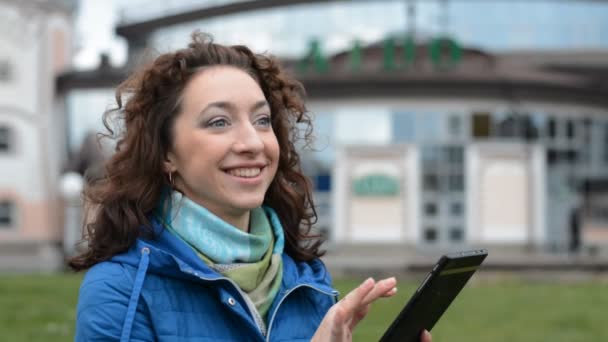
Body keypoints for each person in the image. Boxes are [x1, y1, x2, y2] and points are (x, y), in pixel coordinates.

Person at [70, 31, 433, 342]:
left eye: (262, 120)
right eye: (218, 122)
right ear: (166, 153)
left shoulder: (307, 279)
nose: (253, 143)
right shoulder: (119, 290)